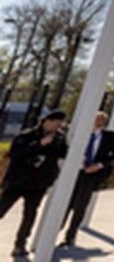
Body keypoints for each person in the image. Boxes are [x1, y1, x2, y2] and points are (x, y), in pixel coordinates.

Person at [0, 110, 67, 258]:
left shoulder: (59, 138)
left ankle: (20, 244)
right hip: (18, 181)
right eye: (56, 124)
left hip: (39, 183)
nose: (58, 128)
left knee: (30, 214)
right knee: (2, 208)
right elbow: (16, 154)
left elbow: (62, 155)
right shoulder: (26, 135)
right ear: (47, 121)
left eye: (60, 125)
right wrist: (39, 144)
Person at [61, 111, 114, 248]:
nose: (97, 121)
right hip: (74, 172)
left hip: (90, 174)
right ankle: (56, 229)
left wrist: (99, 165)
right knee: (65, 203)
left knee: (80, 206)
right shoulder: (79, 132)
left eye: (101, 119)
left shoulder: (109, 136)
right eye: (95, 118)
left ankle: (70, 236)